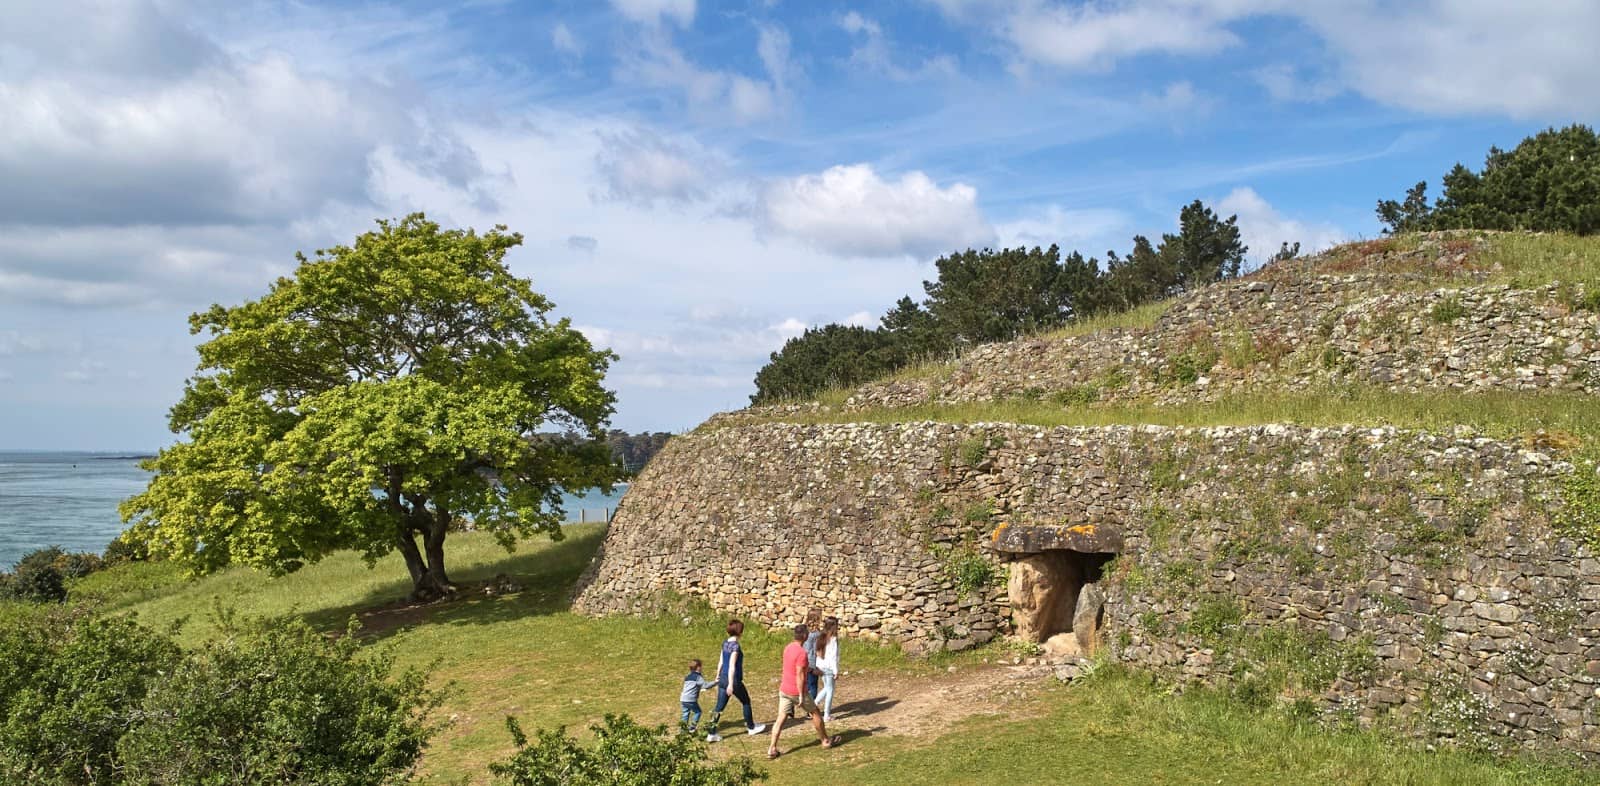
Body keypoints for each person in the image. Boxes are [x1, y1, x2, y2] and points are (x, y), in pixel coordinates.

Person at [769, 624, 840, 759]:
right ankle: (825, 740)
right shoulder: (802, 653)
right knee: (815, 712)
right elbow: (800, 674)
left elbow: (798, 667)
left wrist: (813, 671)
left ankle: (772, 748)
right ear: (804, 636)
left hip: (784, 689)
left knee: (780, 718)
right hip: (796, 691)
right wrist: (801, 695)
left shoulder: (788, 648)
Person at [706, 619, 766, 742]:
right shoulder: (735, 647)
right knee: (746, 701)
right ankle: (751, 727)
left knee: (719, 707)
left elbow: (721, 661)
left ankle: (711, 734)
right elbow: (732, 666)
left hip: (722, 678)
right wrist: (730, 685)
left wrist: (717, 676)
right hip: (732, 680)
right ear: (740, 632)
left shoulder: (725, 643)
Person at [814, 617, 840, 722]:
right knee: (830, 691)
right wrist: (836, 671)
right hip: (829, 667)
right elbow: (833, 657)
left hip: (821, 667)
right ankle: (826, 715)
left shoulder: (821, 637)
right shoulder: (833, 640)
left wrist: (818, 666)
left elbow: (818, 654)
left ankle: (814, 704)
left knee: (827, 688)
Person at [680, 658, 715, 733]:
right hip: (690, 699)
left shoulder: (688, 676)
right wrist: (716, 682)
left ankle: (682, 731)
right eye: (701, 666)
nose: (702, 668)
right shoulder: (698, 677)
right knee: (698, 712)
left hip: (683, 698)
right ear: (698, 667)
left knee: (685, 713)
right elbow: (705, 686)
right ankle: (692, 728)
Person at [802, 608, 824, 704]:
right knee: (813, 685)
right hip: (812, 662)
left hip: (802, 660)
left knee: (804, 683)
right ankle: (811, 708)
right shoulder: (816, 634)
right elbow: (816, 650)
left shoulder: (804, 630)